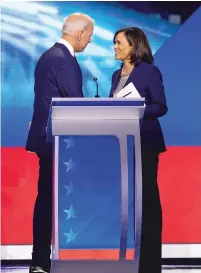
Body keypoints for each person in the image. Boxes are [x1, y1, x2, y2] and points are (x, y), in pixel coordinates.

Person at [26, 13, 94, 273]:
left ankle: (40, 260)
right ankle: (42, 261)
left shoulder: (49, 56)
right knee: (48, 200)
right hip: (59, 142)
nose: (89, 41)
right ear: (79, 34)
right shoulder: (63, 60)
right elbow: (74, 101)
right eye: (88, 36)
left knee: (46, 198)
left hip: (50, 139)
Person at [109, 27, 168, 273]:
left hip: (144, 142)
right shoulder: (115, 75)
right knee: (128, 202)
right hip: (122, 144)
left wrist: (136, 110)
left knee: (148, 201)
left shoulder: (150, 71)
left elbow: (161, 106)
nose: (115, 47)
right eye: (114, 43)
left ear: (134, 45)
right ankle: (129, 259)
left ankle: (150, 263)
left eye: (119, 42)